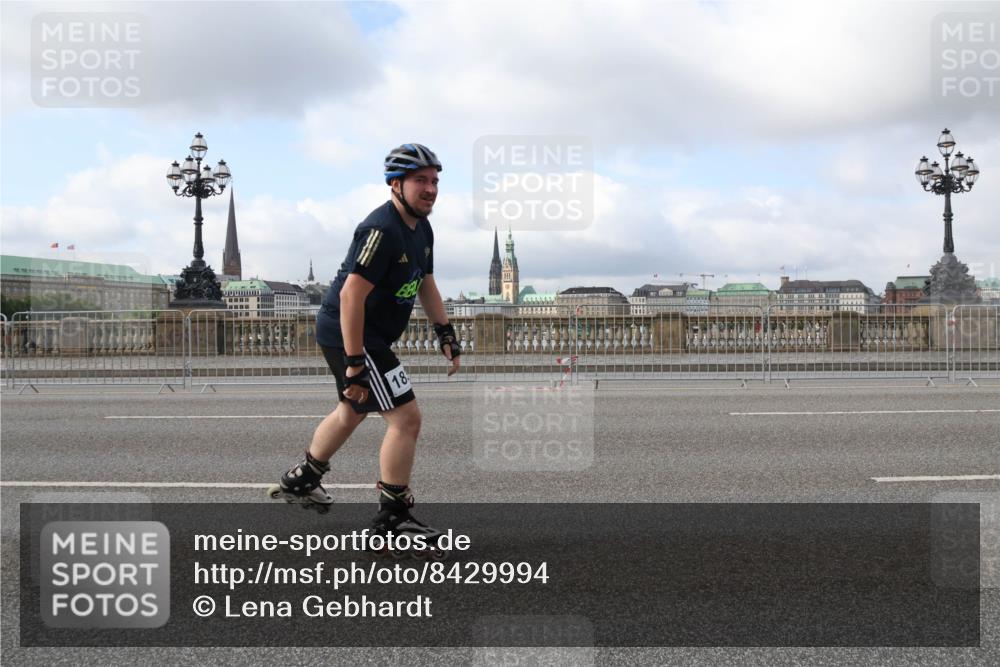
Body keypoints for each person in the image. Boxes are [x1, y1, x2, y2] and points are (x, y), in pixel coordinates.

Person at [269, 143, 461, 555]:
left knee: (353, 409)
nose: (430, 189)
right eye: (420, 181)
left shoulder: (422, 228)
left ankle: (303, 478)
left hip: (362, 334)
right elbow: (353, 296)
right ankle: (392, 518)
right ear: (396, 185)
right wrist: (356, 362)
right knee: (406, 419)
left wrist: (445, 330)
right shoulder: (381, 229)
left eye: (434, 181)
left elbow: (425, 281)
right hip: (354, 334)